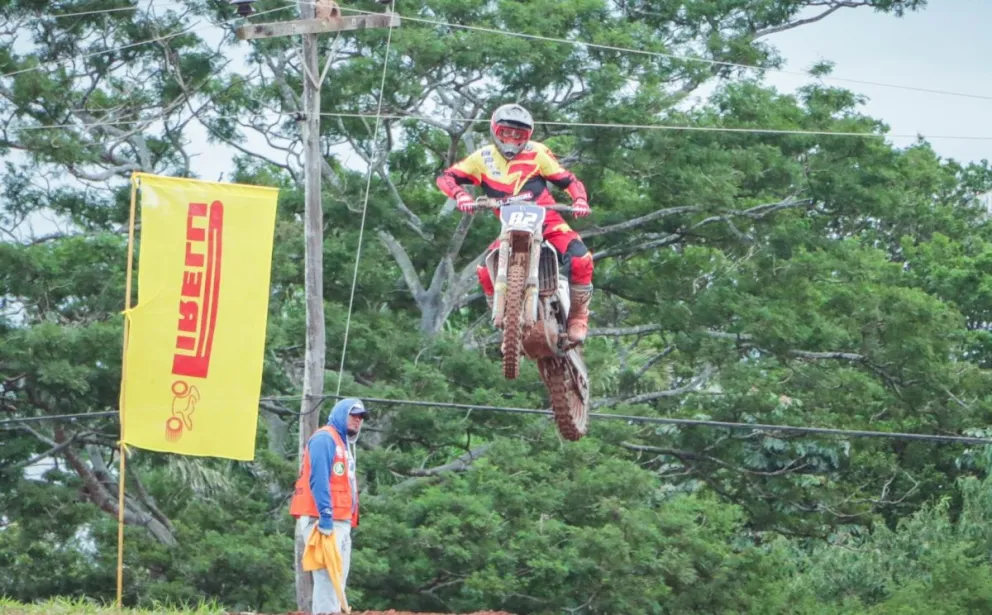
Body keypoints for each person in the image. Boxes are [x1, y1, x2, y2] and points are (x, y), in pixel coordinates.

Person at [435, 103, 594, 344]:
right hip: (510, 225)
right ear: (495, 130)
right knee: (484, 271)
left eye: (518, 134)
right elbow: (446, 177)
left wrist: (580, 199)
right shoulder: (482, 158)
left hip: (547, 219)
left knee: (581, 258)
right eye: (506, 132)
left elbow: (568, 179)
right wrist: (460, 195)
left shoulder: (538, 153)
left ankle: (578, 317)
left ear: (527, 136)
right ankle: (501, 318)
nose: (511, 139)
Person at [289, 398, 367, 614]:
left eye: (361, 417)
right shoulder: (325, 438)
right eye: (353, 415)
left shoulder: (342, 443)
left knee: (337, 577)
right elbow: (319, 479)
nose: (358, 420)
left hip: (339, 521)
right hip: (322, 520)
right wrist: (325, 516)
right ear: (341, 414)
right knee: (327, 576)